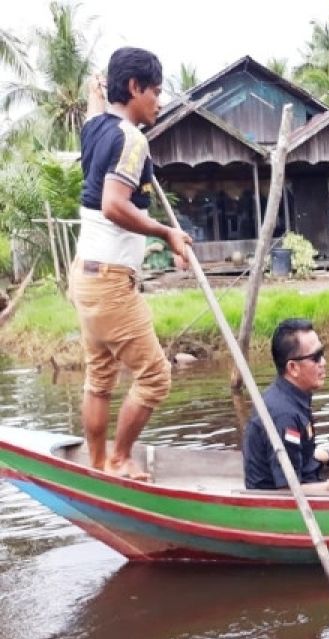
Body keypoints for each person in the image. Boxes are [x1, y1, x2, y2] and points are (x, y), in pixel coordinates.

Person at [72, 47, 192, 479]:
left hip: (85, 276)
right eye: (154, 92)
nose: (159, 102)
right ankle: (120, 459)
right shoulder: (133, 139)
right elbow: (113, 205)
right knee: (156, 377)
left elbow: (94, 114)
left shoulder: (96, 128)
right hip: (109, 282)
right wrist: (166, 232)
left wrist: (94, 93)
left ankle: (100, 463)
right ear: (133, 88)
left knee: (99, 378)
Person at [243, 319, 329, 491]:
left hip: (304, 482)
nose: (324, 362)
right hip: (280, 507)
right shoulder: (284, 414)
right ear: (293, 368)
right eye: (316, 357)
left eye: (322, 353)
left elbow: (298, 454)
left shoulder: (291, 397)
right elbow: (288, 492)